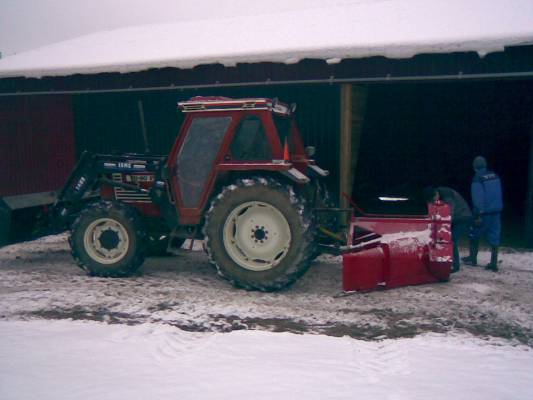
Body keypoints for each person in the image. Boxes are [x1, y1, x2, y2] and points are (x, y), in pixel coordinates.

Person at [462, 156, 503, 272]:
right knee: (495, 236)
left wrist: (478, 213)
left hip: (484, 213)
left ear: (474, 166)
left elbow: (478, 197)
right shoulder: (495, 175)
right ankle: (493, 263)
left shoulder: (477, 178)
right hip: (496, 211)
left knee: (474, 233)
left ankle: (472, 258)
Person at [423, 186, 472, 273]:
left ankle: (455, 265)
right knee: (448, 239)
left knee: (452, 240)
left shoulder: (447, 195)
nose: (434, 202)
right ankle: (446, 261)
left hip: (462, 217)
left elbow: (450, 213)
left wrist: (442, 222)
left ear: (436, 194)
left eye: (433, 199)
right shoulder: (438, 194)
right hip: (455, 219)